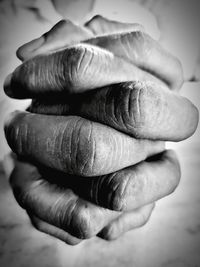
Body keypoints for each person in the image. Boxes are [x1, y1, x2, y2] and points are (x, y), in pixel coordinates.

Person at [2, 5, 199, 245]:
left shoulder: (151, 15)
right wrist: (17, 153)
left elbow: (185, 70)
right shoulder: (8, 17)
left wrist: (159, 94)